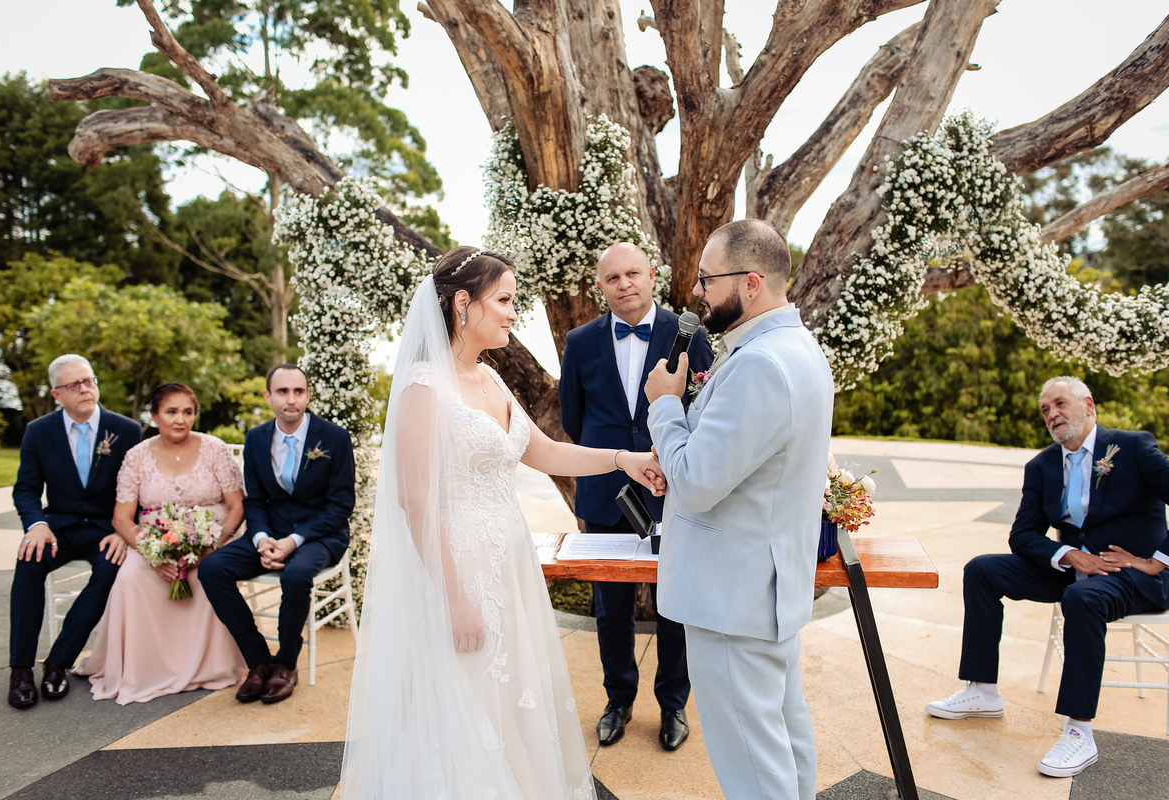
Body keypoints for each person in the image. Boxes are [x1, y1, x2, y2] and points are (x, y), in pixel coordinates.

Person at [340, 246, 667, 800]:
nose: (515, 313)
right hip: (457, 571)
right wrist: (454, 599)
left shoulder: (488, 378)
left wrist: (624, 460)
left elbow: (541, 451)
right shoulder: (424, 387)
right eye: (506, 300)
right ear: (463, 304)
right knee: (473, 703)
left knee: (509, 696)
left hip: (507, 564)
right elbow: (415, 503)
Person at [643, 220, 834, 800]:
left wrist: (666, 408)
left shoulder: (758, 363)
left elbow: (698, 482)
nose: (697, 291)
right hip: (766, 589)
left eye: (707, 279)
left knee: (751, 762)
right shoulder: (797, 350)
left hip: (732, 599)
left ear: (751, 283)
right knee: (783, 737)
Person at [926, 376, 1169, 777]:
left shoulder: (1133, 448)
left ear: (1088, 404)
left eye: (1060, 404)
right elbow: (1023, 535)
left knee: (1081, 601)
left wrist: (1158, 561)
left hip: (1132, 576)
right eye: (1045, 409)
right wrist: (1066, 554)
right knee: (981, 569)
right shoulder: (1042, 465)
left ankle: (1079, 732)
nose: (1052, 414)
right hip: (1073, 570)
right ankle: (982, 690)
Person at [559, 242, 712, 751]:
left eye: (632, 274)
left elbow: (706, 409)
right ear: (600, 287)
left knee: (674, 604)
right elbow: (573, 421)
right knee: (611, 608)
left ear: (652, 275)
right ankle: (618, 700)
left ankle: (673, 705)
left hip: (674, 491)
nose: (623, 284)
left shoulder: (688, 334)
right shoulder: (579, 342)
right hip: (605, 494)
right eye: (611, 278)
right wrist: (614, 461)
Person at [75, 383, 247, 703]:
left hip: (210, 539)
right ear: (155, 416)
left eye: (187, 412)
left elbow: (237, 507)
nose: (180, 419)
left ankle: (212, 664)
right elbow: (122, 519)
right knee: (129, 578)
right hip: (152, 540)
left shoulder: (215, 449)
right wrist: (153, 554)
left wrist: (211, 546)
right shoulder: (136, 456)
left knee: (210, 573)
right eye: (171, 412)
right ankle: (142, 669)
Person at [199, 364, 356, 704]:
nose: (291, 399)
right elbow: (254, 501)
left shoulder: (334, 438)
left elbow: (341, 506)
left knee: (297, 574)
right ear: (268, 396)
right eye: (283, 392)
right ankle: (258, 661)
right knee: (211, 568)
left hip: (321, 534)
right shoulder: (256, 438)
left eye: (298, 391)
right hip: (270, 533)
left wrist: (293, 542)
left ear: (307, 395)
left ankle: (286, 663)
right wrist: (261, 539)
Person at [8, 355, 143, 709]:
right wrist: (36, 525)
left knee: (109, 570)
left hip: (105, 528)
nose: (85, 389)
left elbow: (141, 490)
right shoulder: (39, 431)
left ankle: (58, 663)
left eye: (88, 381)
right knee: (27, 564)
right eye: (74, 385)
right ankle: (20, 669)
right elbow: (25, 489)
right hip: (59, 528)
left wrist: (124, 532)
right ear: (56, 394)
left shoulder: (127, 431)